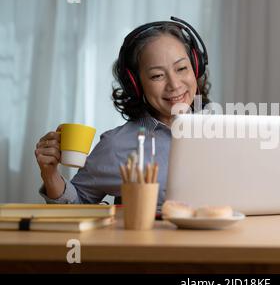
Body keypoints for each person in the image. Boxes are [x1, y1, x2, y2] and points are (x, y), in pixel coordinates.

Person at [34, 17, 211, 206]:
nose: (175, 85)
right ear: (136, 85)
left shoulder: (227, 134)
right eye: (157, 75)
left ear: (196, 68)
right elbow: (77, 207)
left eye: (182, 68)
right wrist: (50, 175)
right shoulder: (116, 146)